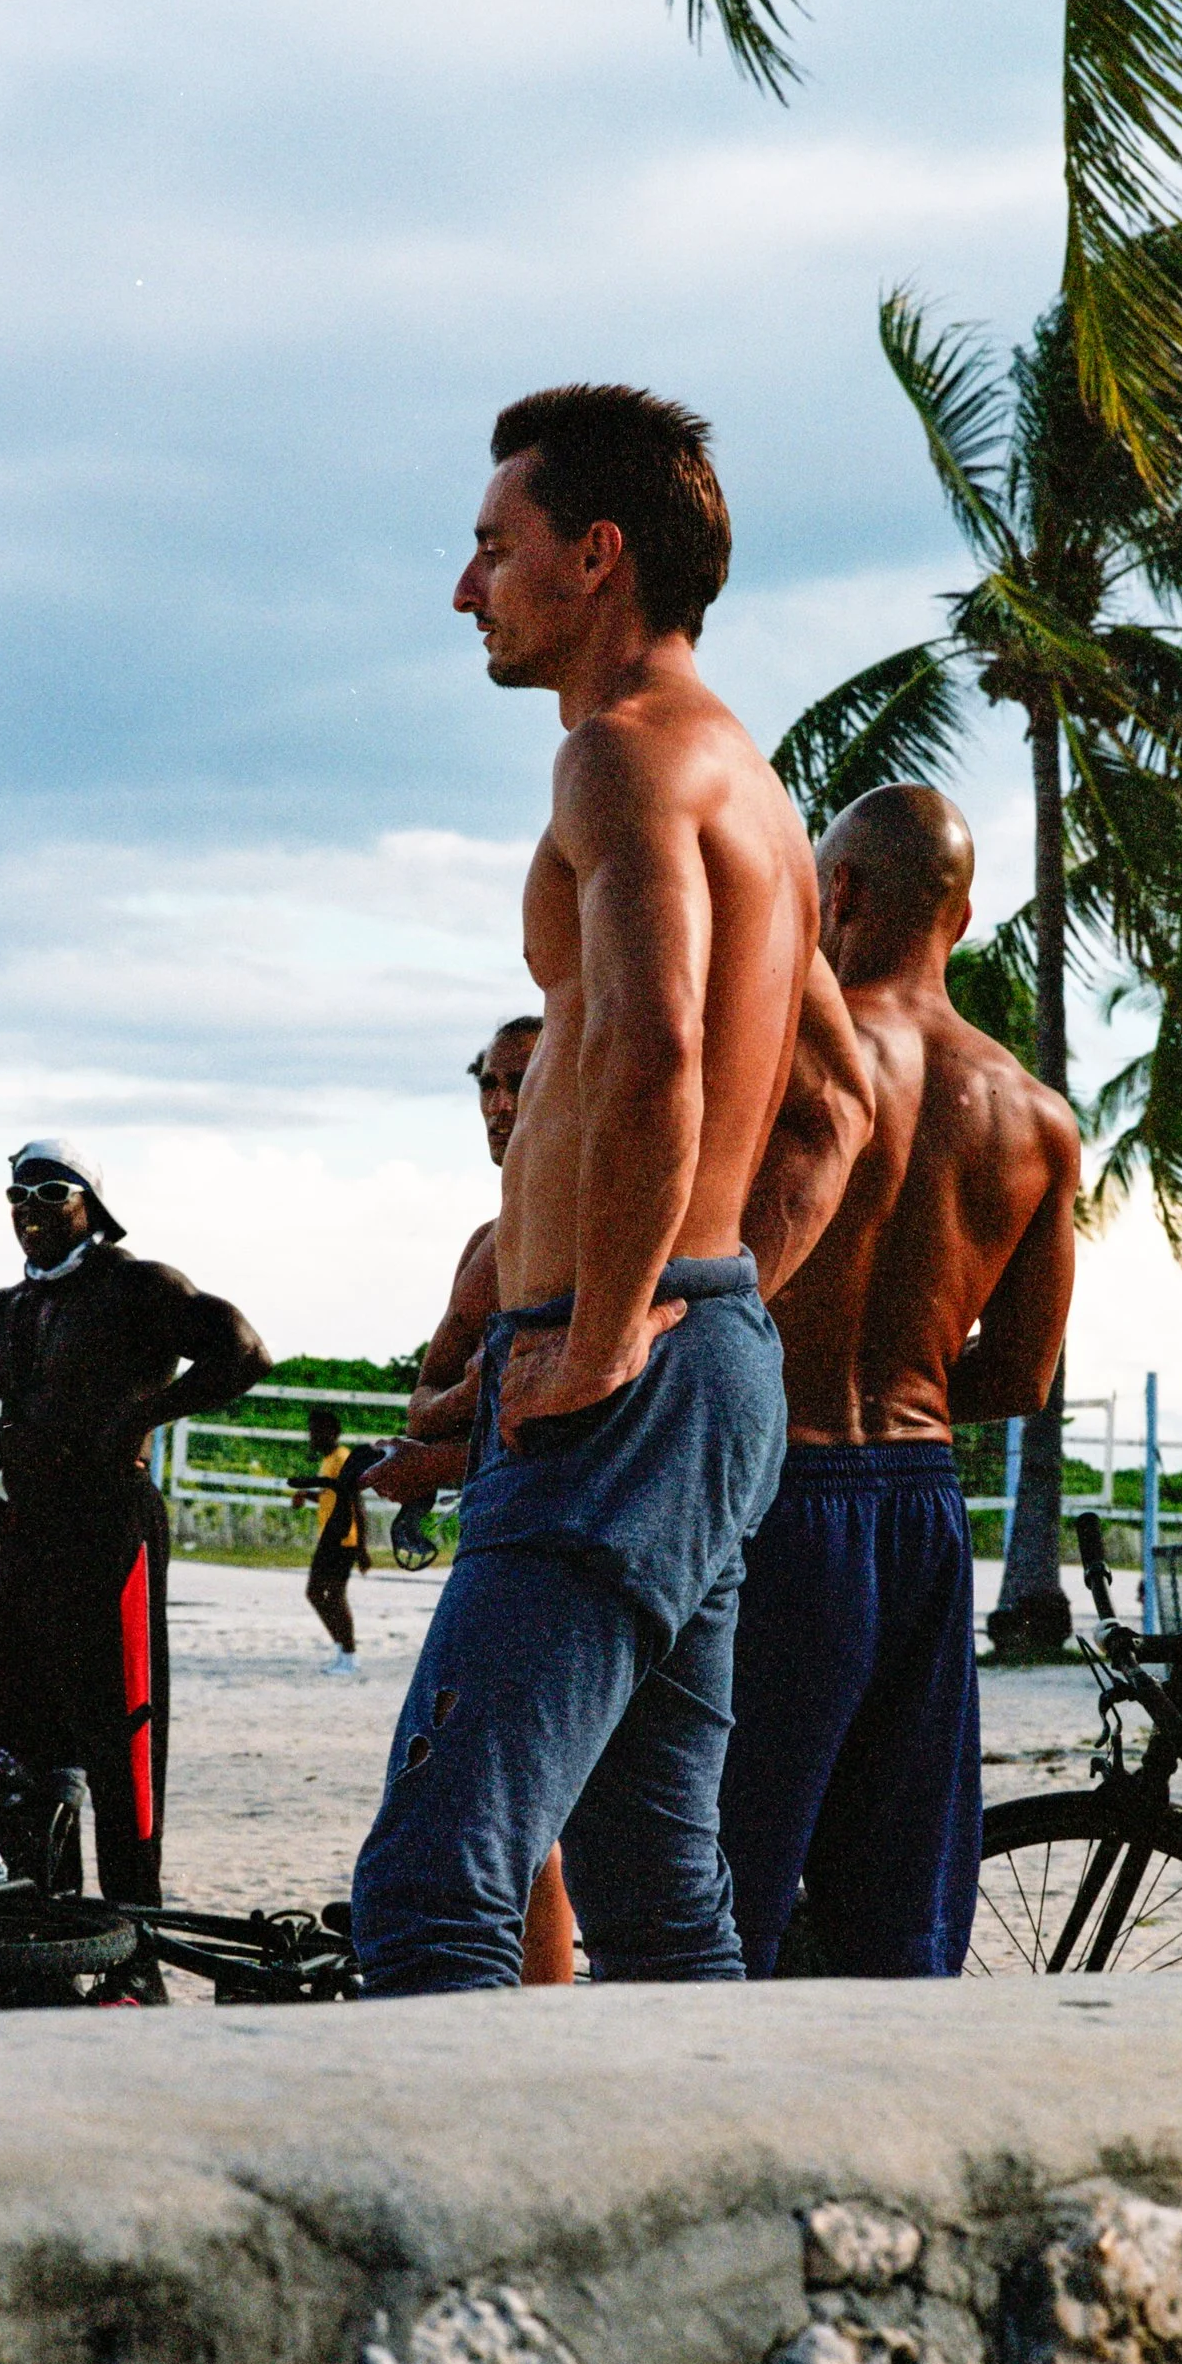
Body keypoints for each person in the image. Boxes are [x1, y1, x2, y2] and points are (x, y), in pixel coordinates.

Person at [348, 382, 862, 1996]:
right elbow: (832, 1107)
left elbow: (656, 1054)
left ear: (597, 557)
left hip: (622, 1375)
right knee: (655, 1902)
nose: (465, 589)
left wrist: (616, 1328)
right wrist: (710, 1307)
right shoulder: (758, 794)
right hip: (691, 1368)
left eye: (494, 548)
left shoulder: (625, 762)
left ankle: (442, 2254)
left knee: (436, 1883)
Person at [719, 786, 1078, 1979]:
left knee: (727, 1878)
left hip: (777, 1486)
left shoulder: (792, 1055)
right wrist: (912, 1388)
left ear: (844, 896)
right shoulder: (1038, 1117)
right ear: (963, 917)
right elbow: (1021, 1373)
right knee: (903, 1907)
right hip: (921, 1508)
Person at [0, 1139, 270, 1905]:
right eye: (16, 1194)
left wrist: (144, 1413)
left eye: (50, 1192)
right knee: (17, 1744)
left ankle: (134, 1932)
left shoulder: (137, 1287)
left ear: (91, 1205)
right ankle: (48, 1917)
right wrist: (2, 1436)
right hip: (30, 1532)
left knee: (125, 1742)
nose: (29, 1209)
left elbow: (243, 1351)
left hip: (114, 1524)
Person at [366, 1012, 583, 1980]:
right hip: (506, 1534)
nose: (499, 1104)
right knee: (526, 1828)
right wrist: (491, 1377)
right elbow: (427, 1400)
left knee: (529, 1818)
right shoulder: (490, 1245)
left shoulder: (602, 1222)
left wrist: (451, 1435)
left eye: (518, 1080)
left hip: (571, 1548)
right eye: (486, 1084)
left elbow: (569, 1435)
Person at [293, 1406, 370, 1674]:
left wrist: (363, 1548)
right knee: (316, 1593)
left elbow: (357, 1501)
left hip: (343, 1539)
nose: (312, 1437)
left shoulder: (342, 1458)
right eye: (311, 1431)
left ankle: (349, 1656)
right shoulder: (328, 1460)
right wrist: (307, 1495)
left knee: (333, 1595)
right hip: (329, 1538)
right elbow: (331, 1495)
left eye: (316, 1431)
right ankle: (342, 1650)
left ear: (333, 1432)